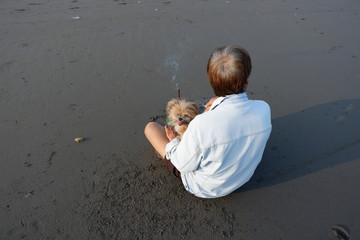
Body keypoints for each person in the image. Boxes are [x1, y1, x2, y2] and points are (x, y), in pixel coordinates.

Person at [144, 45, 272, 198]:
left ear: (212, 81)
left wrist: (172, 142)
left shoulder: (201, 124)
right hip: (243, 177)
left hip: (205, 187)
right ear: (246, 81)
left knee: (151, 128)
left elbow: (183, 164)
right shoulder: (263, 109)